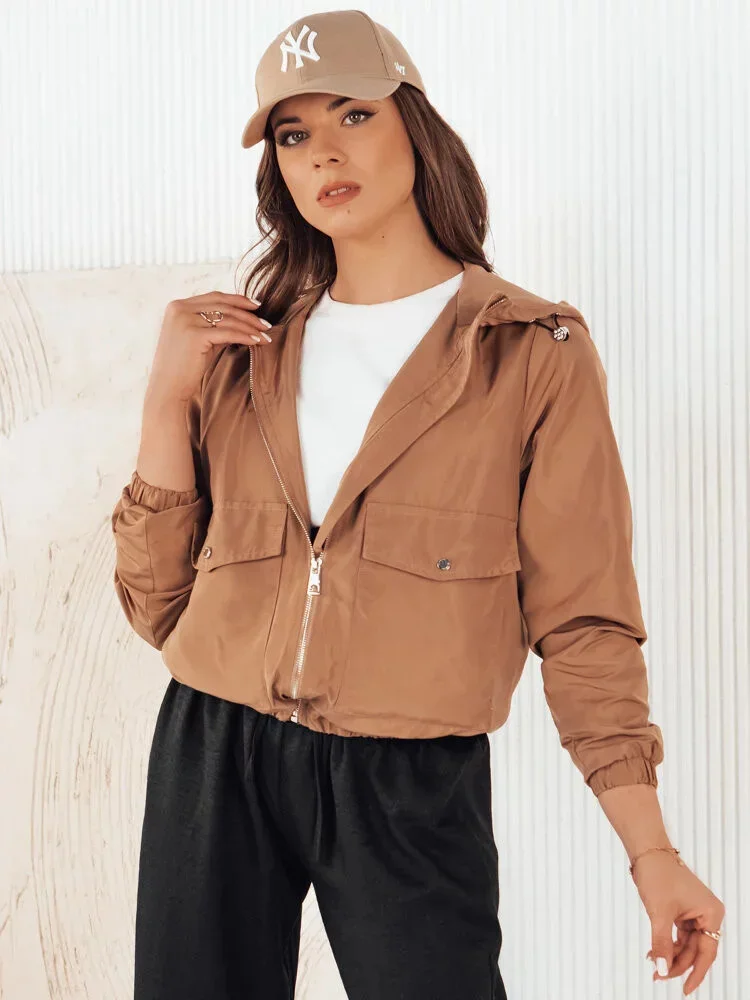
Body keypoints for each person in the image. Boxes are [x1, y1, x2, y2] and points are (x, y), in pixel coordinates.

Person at [111, 9, 725, 999]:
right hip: (212, 749)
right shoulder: (244, 348)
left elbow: (584, 619)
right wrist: (165, 400)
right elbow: (156, 607)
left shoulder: (531, 355)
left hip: (408, 778)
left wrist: (651, 851)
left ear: (416, 126)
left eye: (354, 114)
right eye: (294, 134)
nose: (325, 152)